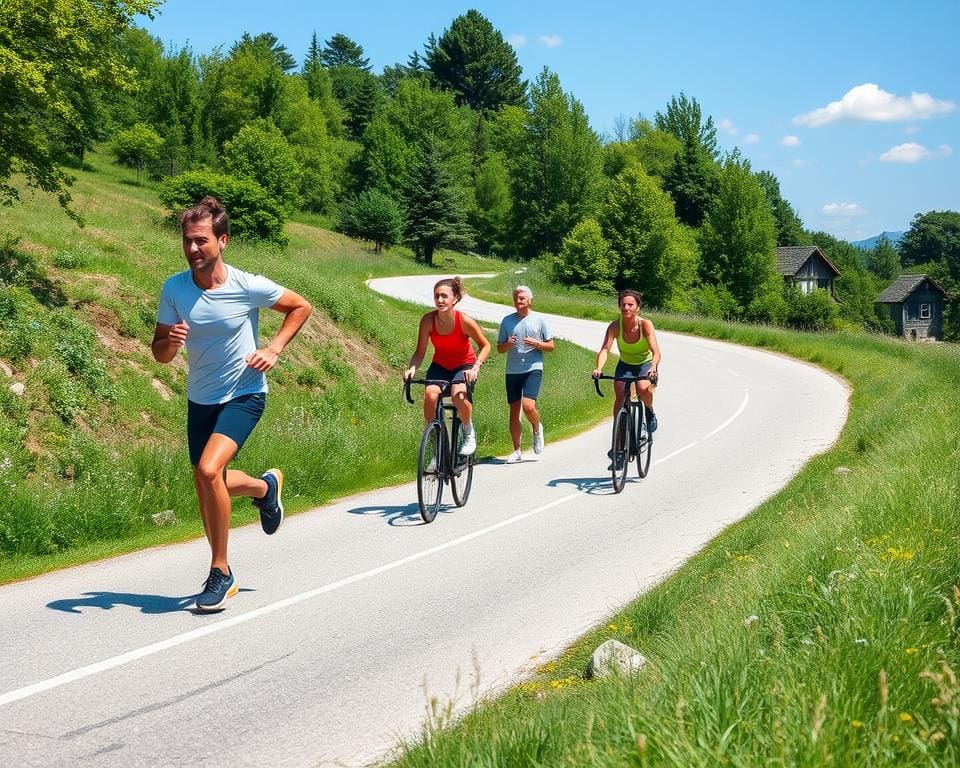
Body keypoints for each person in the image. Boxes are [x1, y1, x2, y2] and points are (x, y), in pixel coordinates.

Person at [151, 197, 312, 612]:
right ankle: (264, 488)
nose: (192, 249)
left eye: (201, 241)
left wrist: (274, 347)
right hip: (200, 398)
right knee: (208, 482)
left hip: (245, 392)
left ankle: (221, 572)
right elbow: (160, 355)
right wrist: (170, 341)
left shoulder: (246, 285)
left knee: (208, 471)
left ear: (222, 241)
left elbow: (300, 306)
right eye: (187, 241)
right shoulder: (175, 288)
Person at [403, 277, 491, 455]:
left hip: (464, 365)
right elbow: (420, 352)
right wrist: (412, 367)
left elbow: (486, 345)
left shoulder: (464, 321)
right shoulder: (428, 320)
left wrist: (476, 367)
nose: (440, 300)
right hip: (440, 365)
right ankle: (436, 446)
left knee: (458, 396)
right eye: (437, 296)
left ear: (455, 298)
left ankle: (468, 431)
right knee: (430, 395)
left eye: (444, 296)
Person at [592, 290, 661, 465]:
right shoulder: (615, 326)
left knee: (642, 388)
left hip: (644, 364)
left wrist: (653, 368)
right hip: (625, 365)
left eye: (630, 304)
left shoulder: (645, 325)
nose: (626, 307)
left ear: (638, 308)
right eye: (623, 304)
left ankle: (649, 412)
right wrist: (598, 368)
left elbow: (656, 351)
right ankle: (619, 448)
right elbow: (605, 349)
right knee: (620, 397)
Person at [496, 285, 554, 463]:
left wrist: (537, 343)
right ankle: (517, 450)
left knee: (528, 406)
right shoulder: (507, 321)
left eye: (522, 298)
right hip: (512, 370)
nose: (519, 301)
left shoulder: (539, 320)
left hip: (533, 367)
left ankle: (537, 427)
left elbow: (551, 346)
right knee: (514, 412)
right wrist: (508, 343)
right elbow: (499, 348)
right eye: (516, 298)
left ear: (530, 300)